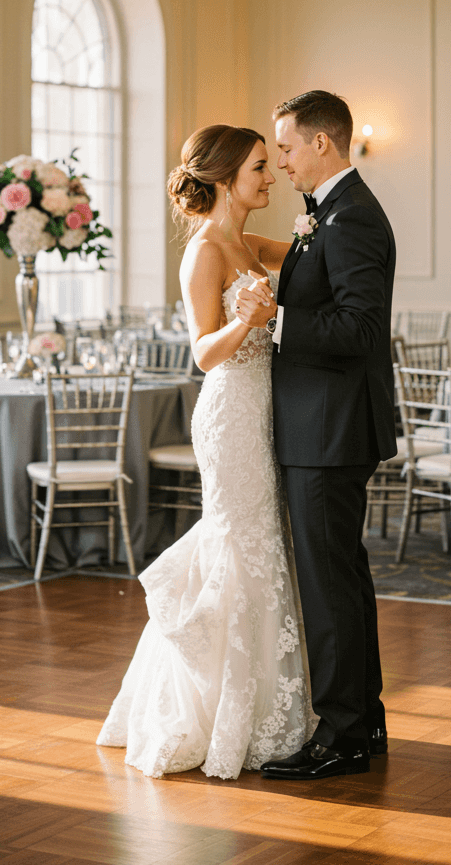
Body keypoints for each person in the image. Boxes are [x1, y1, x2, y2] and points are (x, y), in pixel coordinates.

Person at [96, 124, 314, 780]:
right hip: (229, 411)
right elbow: (200, 353)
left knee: (261, 543)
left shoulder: (245, 242)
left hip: (263, 407)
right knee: (241, 542)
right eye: (258, 167)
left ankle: (267, 705)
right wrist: (246, 320)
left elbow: (309, 249)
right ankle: (221, 710)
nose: (270, 177)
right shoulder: (205, 253)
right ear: (223, 178)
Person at [234, 90, 396, 781]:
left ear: (323, 143)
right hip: (322, 424)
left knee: (328, 585)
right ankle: (364, 715)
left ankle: (343, 736)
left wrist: (273, 321)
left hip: (328, 429)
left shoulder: (352, 216)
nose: (285, 163)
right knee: (343, 579)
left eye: (289, 147)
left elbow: (360, 329)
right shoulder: (329, 213)